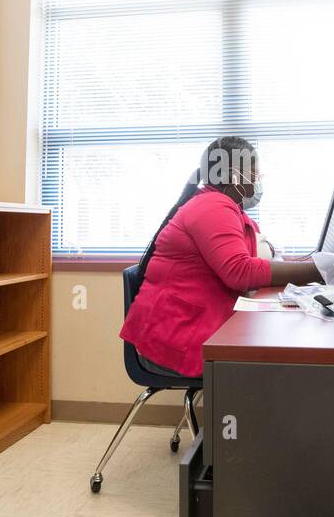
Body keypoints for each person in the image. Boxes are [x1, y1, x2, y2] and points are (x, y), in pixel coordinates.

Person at [119, 137, 322, 378]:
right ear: (236, 176)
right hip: (178, 337)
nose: (259, 181)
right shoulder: (212, 207)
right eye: (255, 173)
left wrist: (315, 267)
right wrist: (321, 270)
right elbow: (240, 272)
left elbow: (264, 261)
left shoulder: (226, 208)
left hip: (190, 327)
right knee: (286, 363)